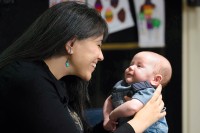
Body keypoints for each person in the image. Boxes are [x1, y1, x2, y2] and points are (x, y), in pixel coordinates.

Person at [0, 1, 166, 133]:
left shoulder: (61, 84)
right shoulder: (28, 80)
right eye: (98, 44)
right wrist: (139, 123)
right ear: (71, 43)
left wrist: (106, 126)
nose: (101, 56)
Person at [103, 51, 172, 133]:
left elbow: (132, 107)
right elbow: (109, 100)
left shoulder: (147, 91)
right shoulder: (122, 85)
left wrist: (113, 114)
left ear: (155, 79)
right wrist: (107, 118)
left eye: (139, 66)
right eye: (131, 64)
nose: (131, 67)